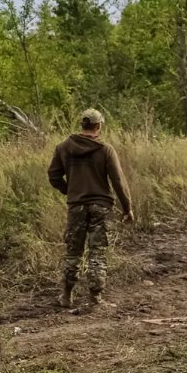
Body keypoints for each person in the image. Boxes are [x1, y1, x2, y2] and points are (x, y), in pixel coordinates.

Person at [47, 108, 134, 310]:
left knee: (73, 252)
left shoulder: (63, 147)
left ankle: (67, 296)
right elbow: (118, 181)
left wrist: (69, 190)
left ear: (82, 125)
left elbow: (53, 176)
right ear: (98, 126)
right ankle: (95, 298)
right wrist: (127, 207)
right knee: (97, 252)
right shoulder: (105, 150)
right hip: (101, 207)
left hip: (76, 206)